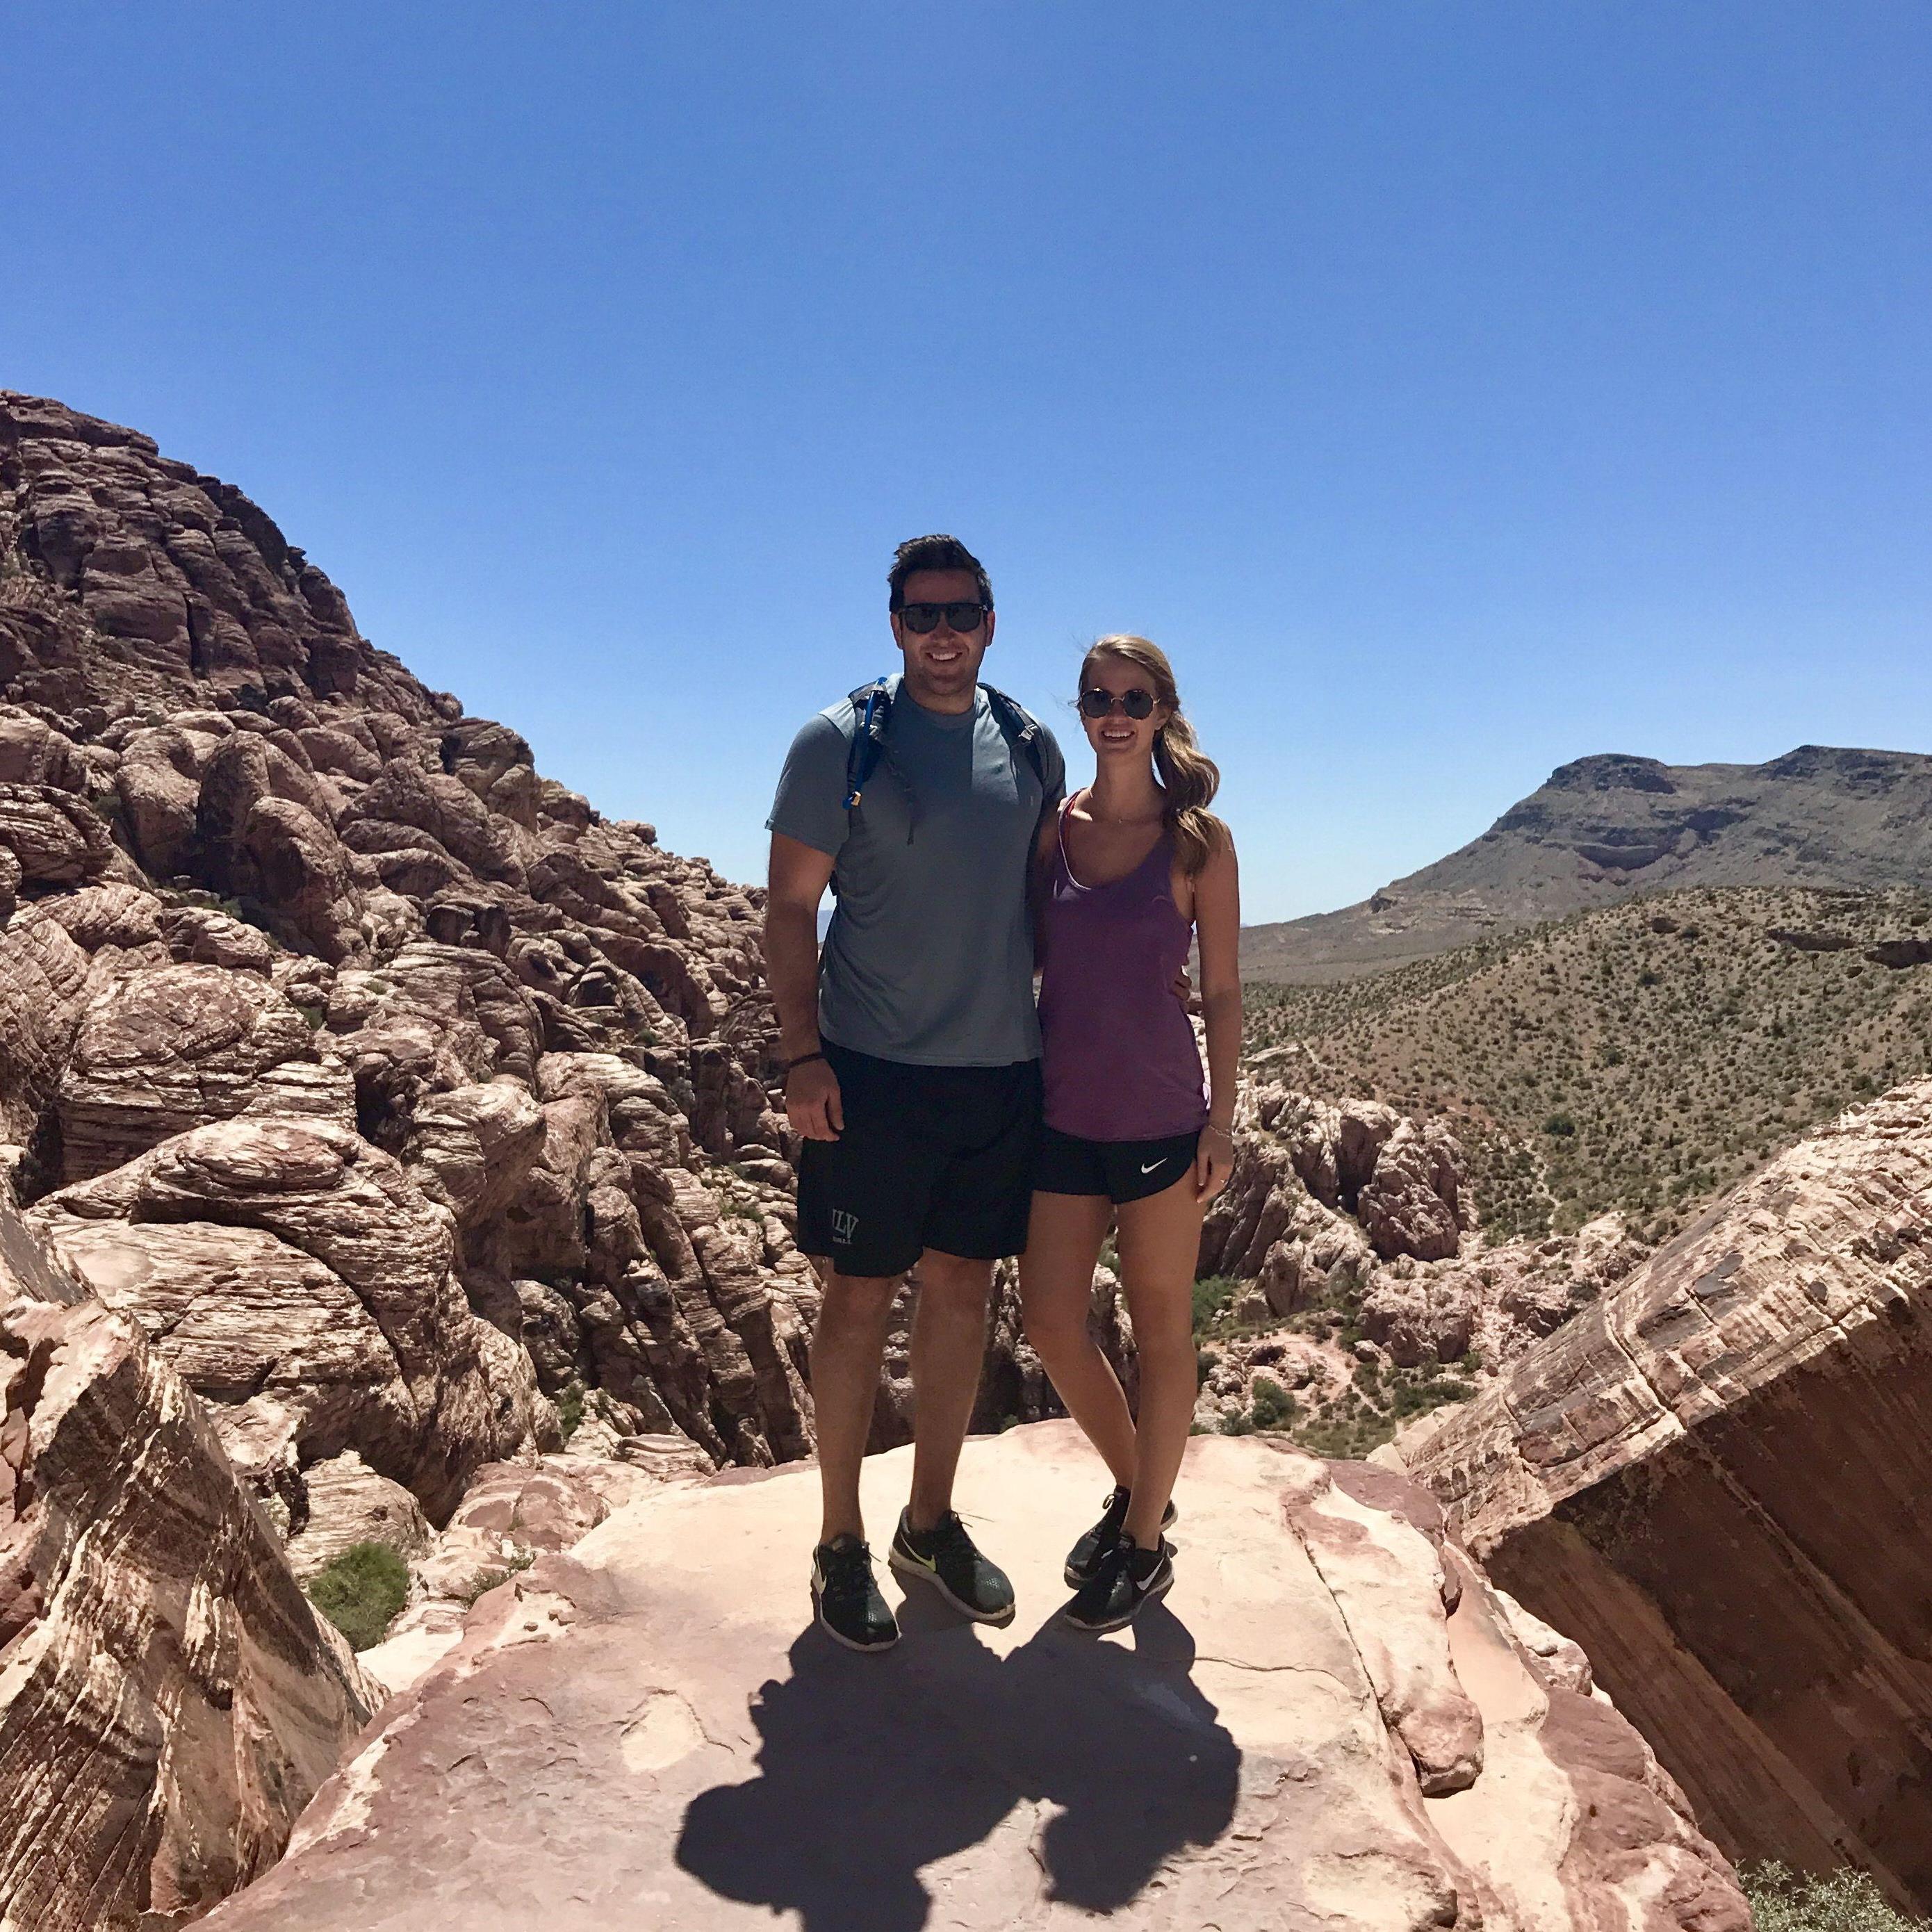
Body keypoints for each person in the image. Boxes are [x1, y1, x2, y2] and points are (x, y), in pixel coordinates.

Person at [764, 534, 1066, 1653]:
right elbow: (790, 908)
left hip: (998, 1073)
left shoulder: (1032, 749)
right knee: (855, 1301)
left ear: (992, 622)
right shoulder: (840, 743)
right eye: (923, 615)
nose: (944, 634)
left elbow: (1041, 905)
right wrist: (803, 1058)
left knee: (961, 1296)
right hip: (872, 1075)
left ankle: (927, 1525)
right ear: (894, 626)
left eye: (964, 614)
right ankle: (841, 1542)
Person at [1018, 635, 1241, 1634]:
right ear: (1083, 709)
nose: (1115, 711)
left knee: (1160, 1334)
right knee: (1051, 1323)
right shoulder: (1051, 832)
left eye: (1135, 697)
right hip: (1062, 1113)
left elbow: (1226, 993)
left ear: (1162, 711)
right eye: (1099, 696)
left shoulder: (1199, 841)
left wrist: (1222, 1123)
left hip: (1160, 1120)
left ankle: (1144, 1543)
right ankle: (1138, 1488)